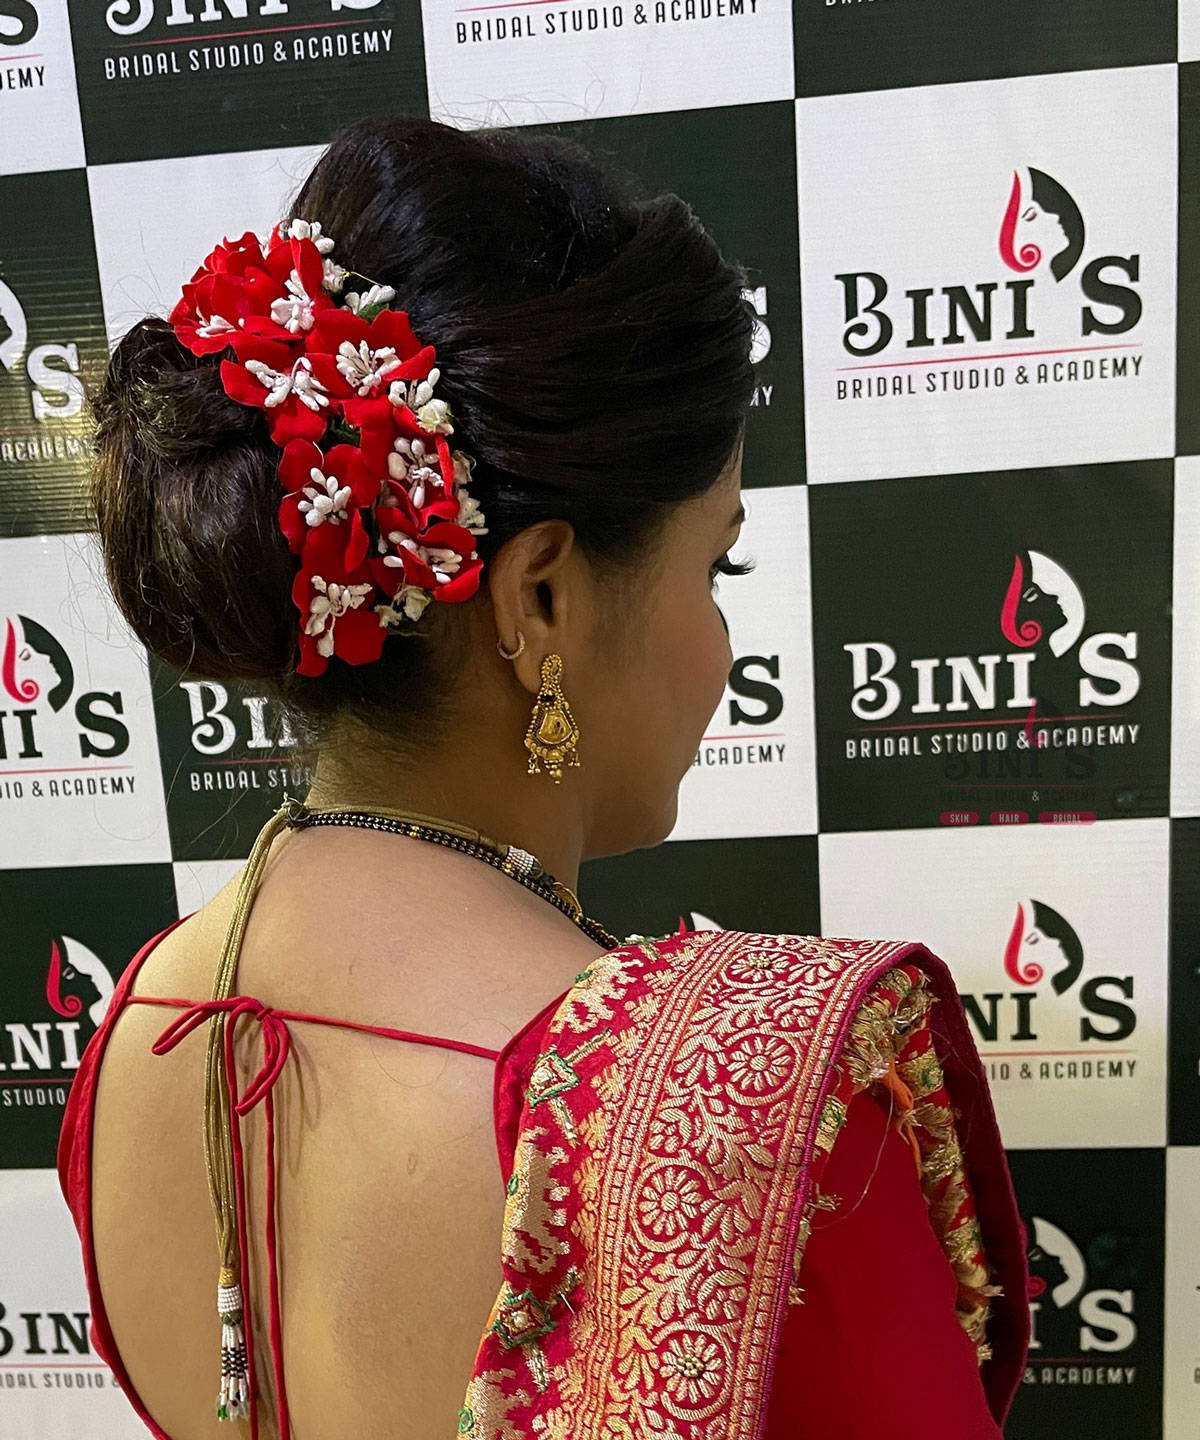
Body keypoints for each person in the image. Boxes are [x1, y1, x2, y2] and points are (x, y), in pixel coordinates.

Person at [57, 114, 1029, 1440]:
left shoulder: (141, 1032)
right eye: (717, 567)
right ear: (542, 600)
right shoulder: (739, 1125)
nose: (726, 645)